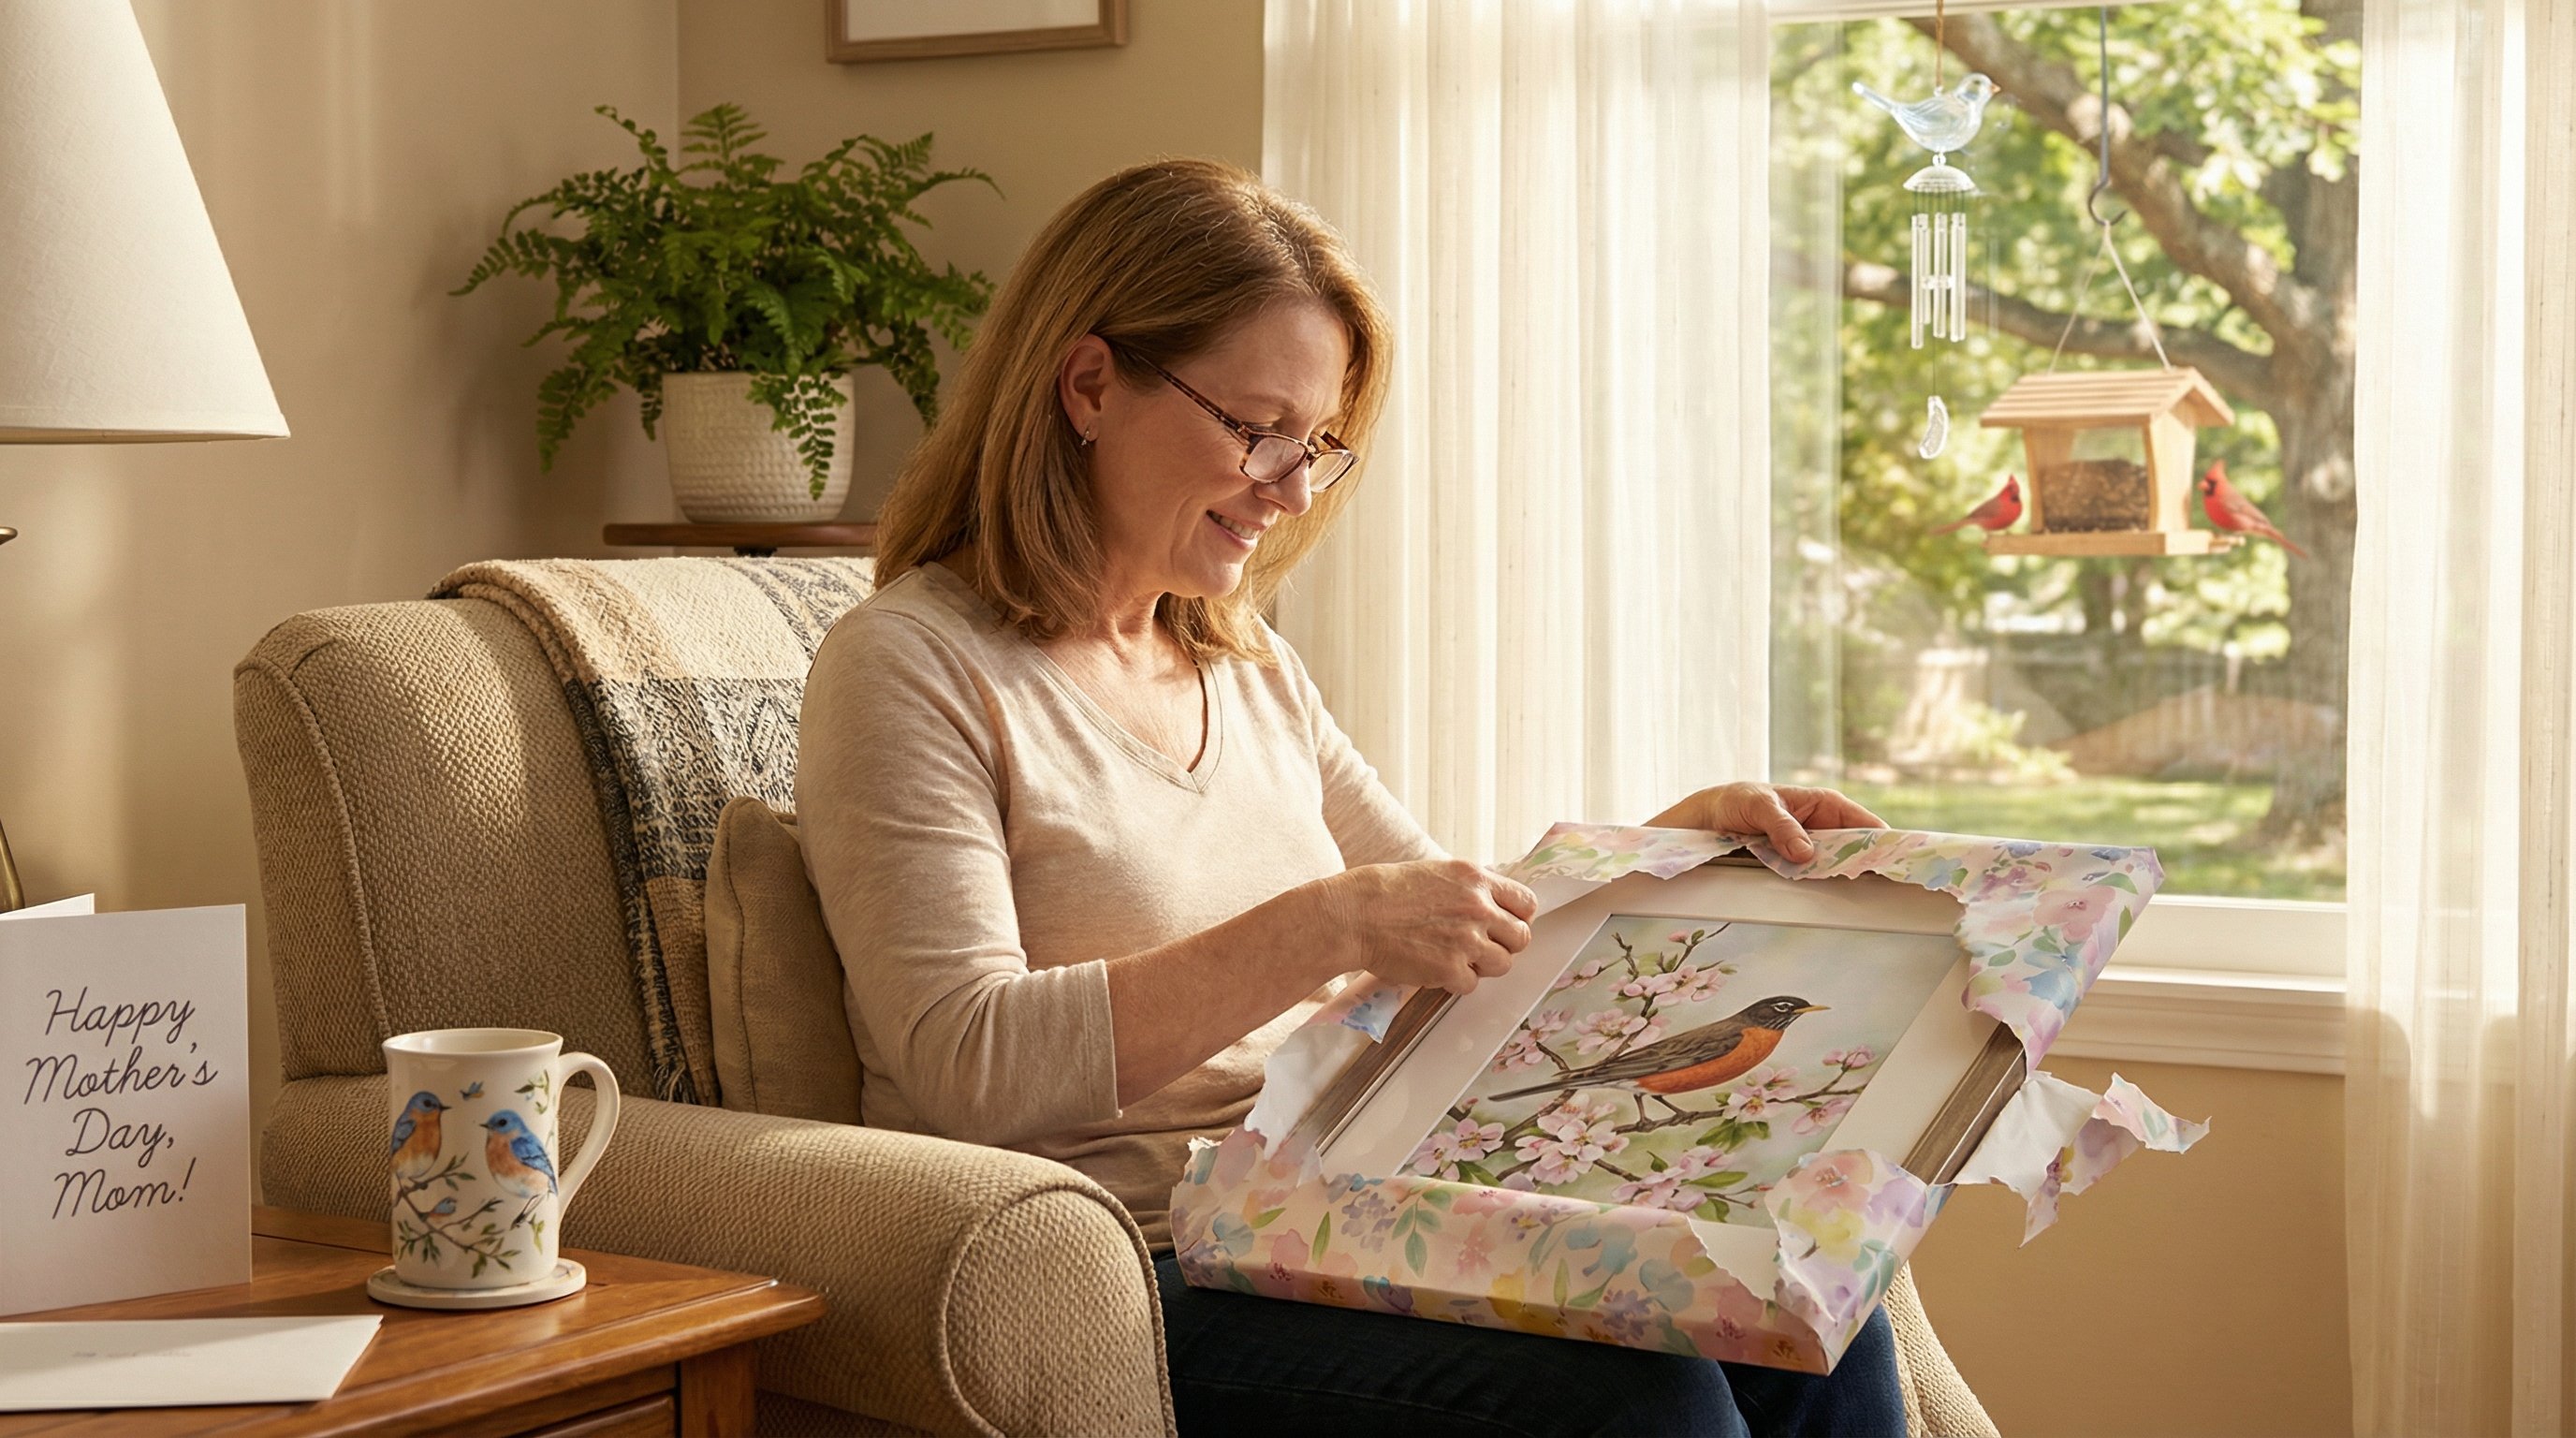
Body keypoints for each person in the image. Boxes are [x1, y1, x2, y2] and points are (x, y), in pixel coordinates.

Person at [797, 158, 1900, 1438]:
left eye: (1315, 444)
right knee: (1640, 1405)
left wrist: (1678, 846)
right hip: (1125, 1268)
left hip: (1333, 1219)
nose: (1290, 489)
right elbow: (964, 1061)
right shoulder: (909, 666)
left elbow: (1475, 937)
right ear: (1089, 384)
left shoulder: (1246, 667)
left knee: (1814, 1318)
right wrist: (1324, 928)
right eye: (1255, 428)